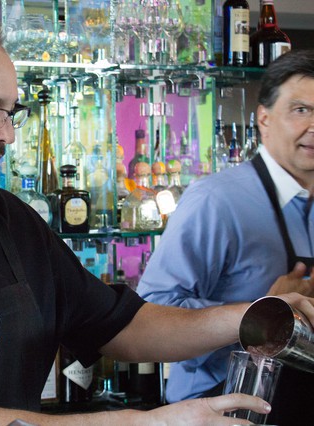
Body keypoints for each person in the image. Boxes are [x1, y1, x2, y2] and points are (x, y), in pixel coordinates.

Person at [0, 18, 314, 425]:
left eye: (11, 112)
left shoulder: (11, 220)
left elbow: (123, 324)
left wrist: (256, 317)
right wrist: (155, 423)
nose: (6, 134)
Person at [137, 49, 314, 425]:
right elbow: (152, 307)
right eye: (301, 110)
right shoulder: (217, 199)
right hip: (222, 408)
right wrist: (264, 310)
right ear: (264, 119)